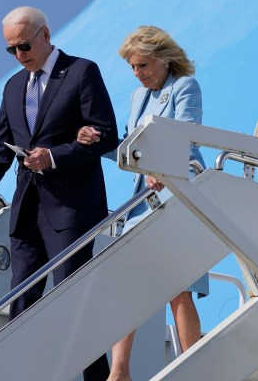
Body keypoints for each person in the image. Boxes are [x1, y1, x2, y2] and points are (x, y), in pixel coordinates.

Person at [0, 6, 119, 381]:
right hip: (27, 213)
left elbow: (105, 136)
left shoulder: (81, 71)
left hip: (71, 211)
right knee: (21, 306)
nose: (19, 55)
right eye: (11, 50)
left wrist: (53, 157)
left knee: (72, 299)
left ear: (45, 35)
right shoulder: (12, 87)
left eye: (23, 46)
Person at [76, 25, 206, 381]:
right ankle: (119, 373)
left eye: (143, 65)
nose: (138, 73)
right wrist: (98, 141)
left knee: (178, 287)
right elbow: (130, 151)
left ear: (164, 60)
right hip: (142, 201)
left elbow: (187, 134)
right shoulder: (137, 97)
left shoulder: (184, 87)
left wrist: (161, 164)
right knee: (129, 284)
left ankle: (192, 364)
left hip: (179, 193)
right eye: (133, 67)